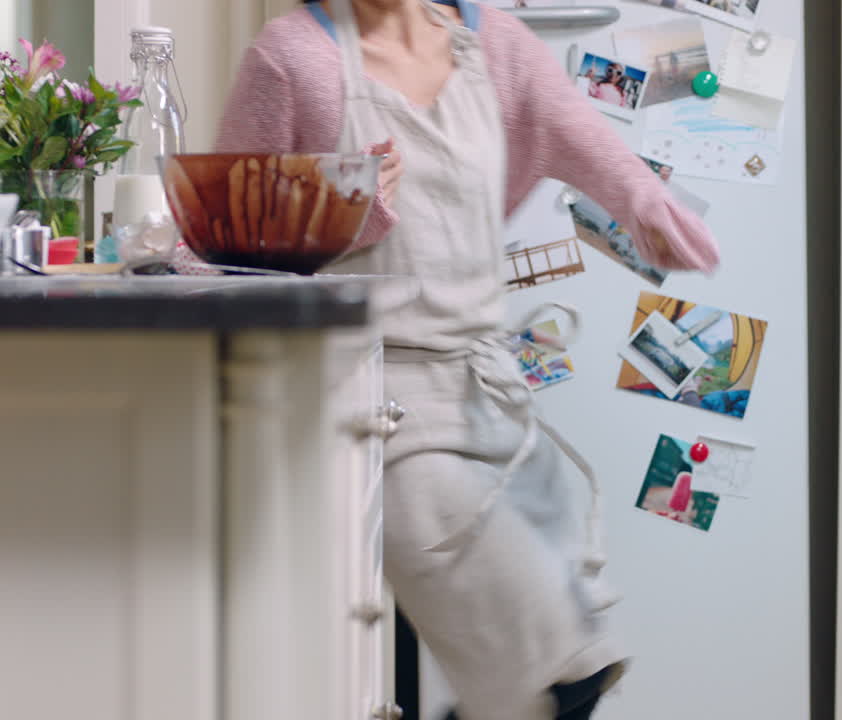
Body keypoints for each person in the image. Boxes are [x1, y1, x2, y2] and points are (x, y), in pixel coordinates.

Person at [214, 0, 720, 718]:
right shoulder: (292, 57)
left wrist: (643, 201)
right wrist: (343, 214)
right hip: (377, 410)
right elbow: (223, 241)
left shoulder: (494, 44)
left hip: (494, 397)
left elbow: (577, 135)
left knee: (570, 667)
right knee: (551, 679)